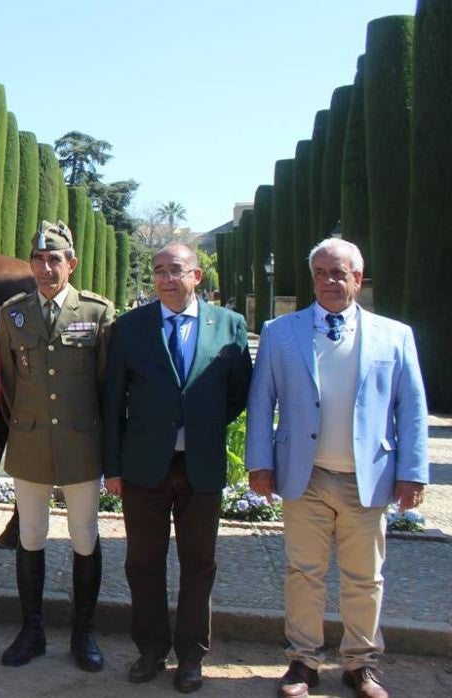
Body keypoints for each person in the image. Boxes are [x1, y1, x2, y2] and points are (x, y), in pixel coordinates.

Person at [245, 238, 428, 698]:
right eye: (321, 273)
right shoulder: (279, 332)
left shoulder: (394, 335)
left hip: (367, 478)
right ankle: (302, 662)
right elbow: (261, 401)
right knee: (303, 572)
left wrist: (413, 471)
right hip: (303, 477)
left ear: (357, 279)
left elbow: (411, 408)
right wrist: (260, 464)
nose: (329, 281)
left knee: (365, 577)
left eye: (339, 273)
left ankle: (360, 664)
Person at [101, 243, 252, 693]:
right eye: (159, 271)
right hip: (144, 467)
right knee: (143, 563)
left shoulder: (229, 326)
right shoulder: (129, 328)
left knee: (199, 564)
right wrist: (113, 466)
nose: (166, 279)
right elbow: (113, 404)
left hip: (200, 467)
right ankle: (150, 650)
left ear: (197, 277)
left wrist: (200, 425)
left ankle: (191, 657)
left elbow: (238, 392)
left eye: (176, 270)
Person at [0, 221, 114, 672]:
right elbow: (9, 381)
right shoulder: (13, 314)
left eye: (55, 260)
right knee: (30, 536)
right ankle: (32, 630)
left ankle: (83, 634)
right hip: (30, 440)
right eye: (39, 260)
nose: (46, 269)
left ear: (72, 264)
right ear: (30, 264)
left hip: (81, 441)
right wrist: (25, 422)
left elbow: (105, 382)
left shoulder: (97, 313)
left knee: (84, 536)